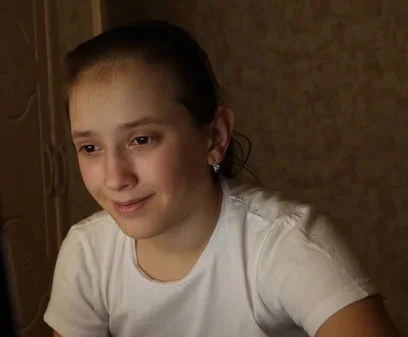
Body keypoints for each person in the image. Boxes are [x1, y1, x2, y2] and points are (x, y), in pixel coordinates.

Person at [43, 19, 401, 337]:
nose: (114, 177)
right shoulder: (88, 253)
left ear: (214, 137)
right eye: (90, 148)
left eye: (141, 140)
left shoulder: (286, 245)